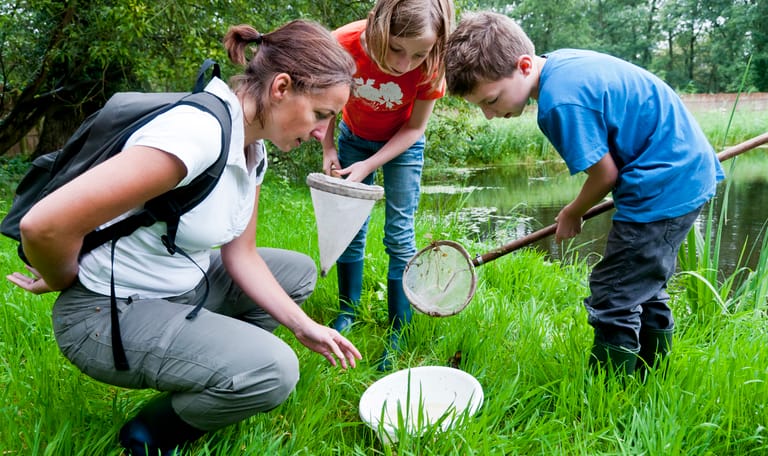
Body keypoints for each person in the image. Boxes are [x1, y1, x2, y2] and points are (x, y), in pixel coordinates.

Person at [7, 20, 361, 455]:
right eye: (321, 114)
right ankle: (150, 434)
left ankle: (218, 372)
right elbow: (44, 225)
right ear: (281, 87)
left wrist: (302, 325)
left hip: (178, 285)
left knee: (297, 273)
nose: (322, 133)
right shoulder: (196, 136)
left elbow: (242, 256)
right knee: (275, 370)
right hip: (104, 312)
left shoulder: (252, 143)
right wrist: (62, 275)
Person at [444, 12, 724, 378]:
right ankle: (653, 378)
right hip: (684, 173)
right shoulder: (562, 64)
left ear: (524, 65)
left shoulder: (559, 103)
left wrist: (573, 212)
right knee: (642, 284)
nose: (489, 115)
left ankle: (609, 396)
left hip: (663, 184)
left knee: (613, 294)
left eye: (491, 100)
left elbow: (605, 174)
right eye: (481, 106)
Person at [322, 0, 454, 372]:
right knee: (351, 227)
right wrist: (329, 147)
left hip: (403, 146)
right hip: (353, 138)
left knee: (399, 234)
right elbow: (325, 99)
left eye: (418, 53)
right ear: (377, 26)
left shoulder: (432, 64)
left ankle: (398, 329)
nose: (403, 64)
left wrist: (369, 165)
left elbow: (415, 129)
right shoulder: (343, 44)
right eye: (396, 48)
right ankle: (347, 311)